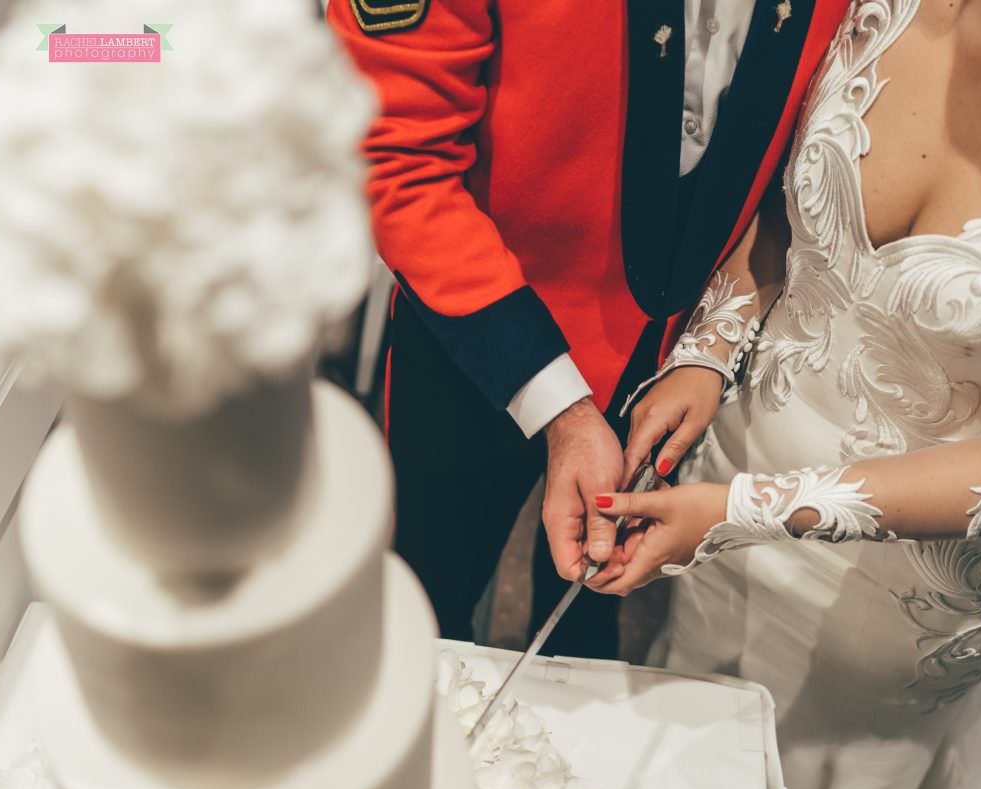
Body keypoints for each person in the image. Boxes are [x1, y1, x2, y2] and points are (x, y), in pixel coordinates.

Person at [587, 0, 981, 789]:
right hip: (734, 464)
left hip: (909, 597)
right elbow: (778, 198)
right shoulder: (885, 8)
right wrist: (706, 352)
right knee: (684, 739)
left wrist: (739, 512)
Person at [326, 0, 850, 656]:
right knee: (427, 600)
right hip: (477, 334)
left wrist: (707, 349)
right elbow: (399, 159)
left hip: (672, 365)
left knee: (585, 621)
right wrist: (559, 406)